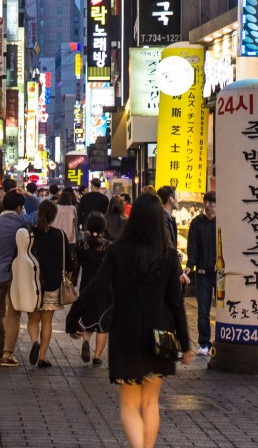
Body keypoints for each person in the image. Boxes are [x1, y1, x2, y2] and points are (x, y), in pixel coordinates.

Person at [93, 193, 192, 448]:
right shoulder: (169, 255)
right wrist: (186, 342)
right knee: (150, 402)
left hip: (126, 332)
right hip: (162, 334)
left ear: (133, 218)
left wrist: (77, 319)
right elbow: (176, 303)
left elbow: (98, 288)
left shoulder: (118, 252)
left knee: (129, 403)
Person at [0, 189, 31, 366]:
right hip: (18, 276)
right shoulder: (23, 223)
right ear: (19, 207)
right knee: (14, 314)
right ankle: (7, 354)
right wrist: (30, 195)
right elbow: (43, 213)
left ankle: (1, 348)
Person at [26, 200, 74, 368]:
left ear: (39, 213)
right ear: (54, 216)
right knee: (47, 321)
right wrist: (68, 278)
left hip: (32, 283)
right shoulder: (60, 235)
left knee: (33, 319)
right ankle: (43, 357)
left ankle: (33, 342)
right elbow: (69, 264)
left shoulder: (28, 233)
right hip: (53, 284)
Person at [66, 211, 112, 366]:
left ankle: (86, 340)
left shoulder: (81, 245)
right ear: (103, 227)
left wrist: (73, 283)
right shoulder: (108, 246)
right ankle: (97, 356)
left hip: (87, 285)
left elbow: (75, 266)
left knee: (89, 318)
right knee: (103, 324)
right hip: (105, 288)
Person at [184, 191, 217, 355]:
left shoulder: (222, 222)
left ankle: (220, 341)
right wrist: (190, 265)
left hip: (220, 273)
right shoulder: (197, 223)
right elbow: (193, 247)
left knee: (225, 308)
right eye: (207, 202)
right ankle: (204, 342)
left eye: (212, 202)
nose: (209, 205)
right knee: (203, 310)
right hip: (203, 272)